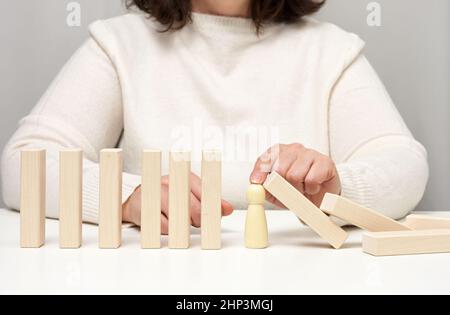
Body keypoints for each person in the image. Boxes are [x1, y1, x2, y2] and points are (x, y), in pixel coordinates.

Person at [1, 0, 429, 233]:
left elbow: (404, 168)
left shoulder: (331, 51)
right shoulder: (119, 44)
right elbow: (22, 164)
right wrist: (128, 198)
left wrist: (334, 191)